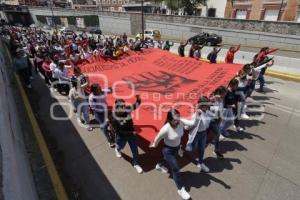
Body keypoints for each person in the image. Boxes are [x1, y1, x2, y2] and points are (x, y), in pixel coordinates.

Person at [150, 109, 201, 200]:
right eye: (175, 120)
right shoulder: (165, 129)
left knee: (167, 161)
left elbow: (192, 123)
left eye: (178, 118)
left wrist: (197, 116)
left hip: (176, 147)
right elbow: (157, 138)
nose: (177, 121)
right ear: (169, 120)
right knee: (176, 169)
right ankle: (180, 189)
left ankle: (159, 165)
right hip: (168, 150)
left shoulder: (180, 122)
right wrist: (154, 144)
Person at [111, 95, 143, 174]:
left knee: (135, 150)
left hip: (131, 135)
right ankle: (117, 150)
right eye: (122, 106)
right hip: (121, 137)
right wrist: (131, 132)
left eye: (124, 105)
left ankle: (136, 164)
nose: (124, 107)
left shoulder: (127, 109)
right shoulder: (115, 119)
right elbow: (119, 132)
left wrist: (138, 99)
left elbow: (136, 105)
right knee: (120, 146)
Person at [185, 96, 212, 172]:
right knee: (191, 149)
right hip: (196, 135)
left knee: (201, 149)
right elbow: (187, 126)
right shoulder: (196, 114)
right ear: (202, 106)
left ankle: (201, 163)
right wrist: (196, 117)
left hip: (203, 134)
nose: (208, 107)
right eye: (207, 106)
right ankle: (182, 152)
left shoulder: (207, 112)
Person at [69, 66, 92, 131]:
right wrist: (74, 107)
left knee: (86, 114)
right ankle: (80, 118)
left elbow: (87, 83)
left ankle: (87, 124)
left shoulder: (81, 87)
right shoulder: (71, 91)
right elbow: (71, 100)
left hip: (83, 101)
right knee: (79, 114)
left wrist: (87, 78)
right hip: (76, 103)